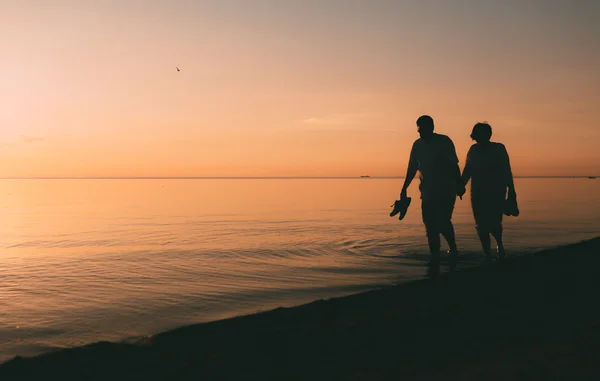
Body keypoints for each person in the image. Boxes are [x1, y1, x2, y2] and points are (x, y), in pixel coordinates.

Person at [400, 115, 465, 275]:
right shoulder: (417, 145)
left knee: (443, 221)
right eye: (418, 128)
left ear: (432, 127)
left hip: (446, 189)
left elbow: (454, 165)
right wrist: (403, 188)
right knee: (429, 224)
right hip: (427, 191)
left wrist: (459, 185)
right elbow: (412, 169)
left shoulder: (444, 141)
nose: (420, 131)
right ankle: (434, 255)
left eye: (423, 128)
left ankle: (453, 248)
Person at [461, 122, 516, 263]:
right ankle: (487, 254)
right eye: (478, 134)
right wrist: (460, 186)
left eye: (484, 133)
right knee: (481, 224)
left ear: (489, 134)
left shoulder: (499, 148)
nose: (481, 137)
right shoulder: (473, 150)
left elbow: (506, 170)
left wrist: (512, 191)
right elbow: (468, 170)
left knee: (495, 222)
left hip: (496, 191)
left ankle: (499, 246)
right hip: (478, 192)